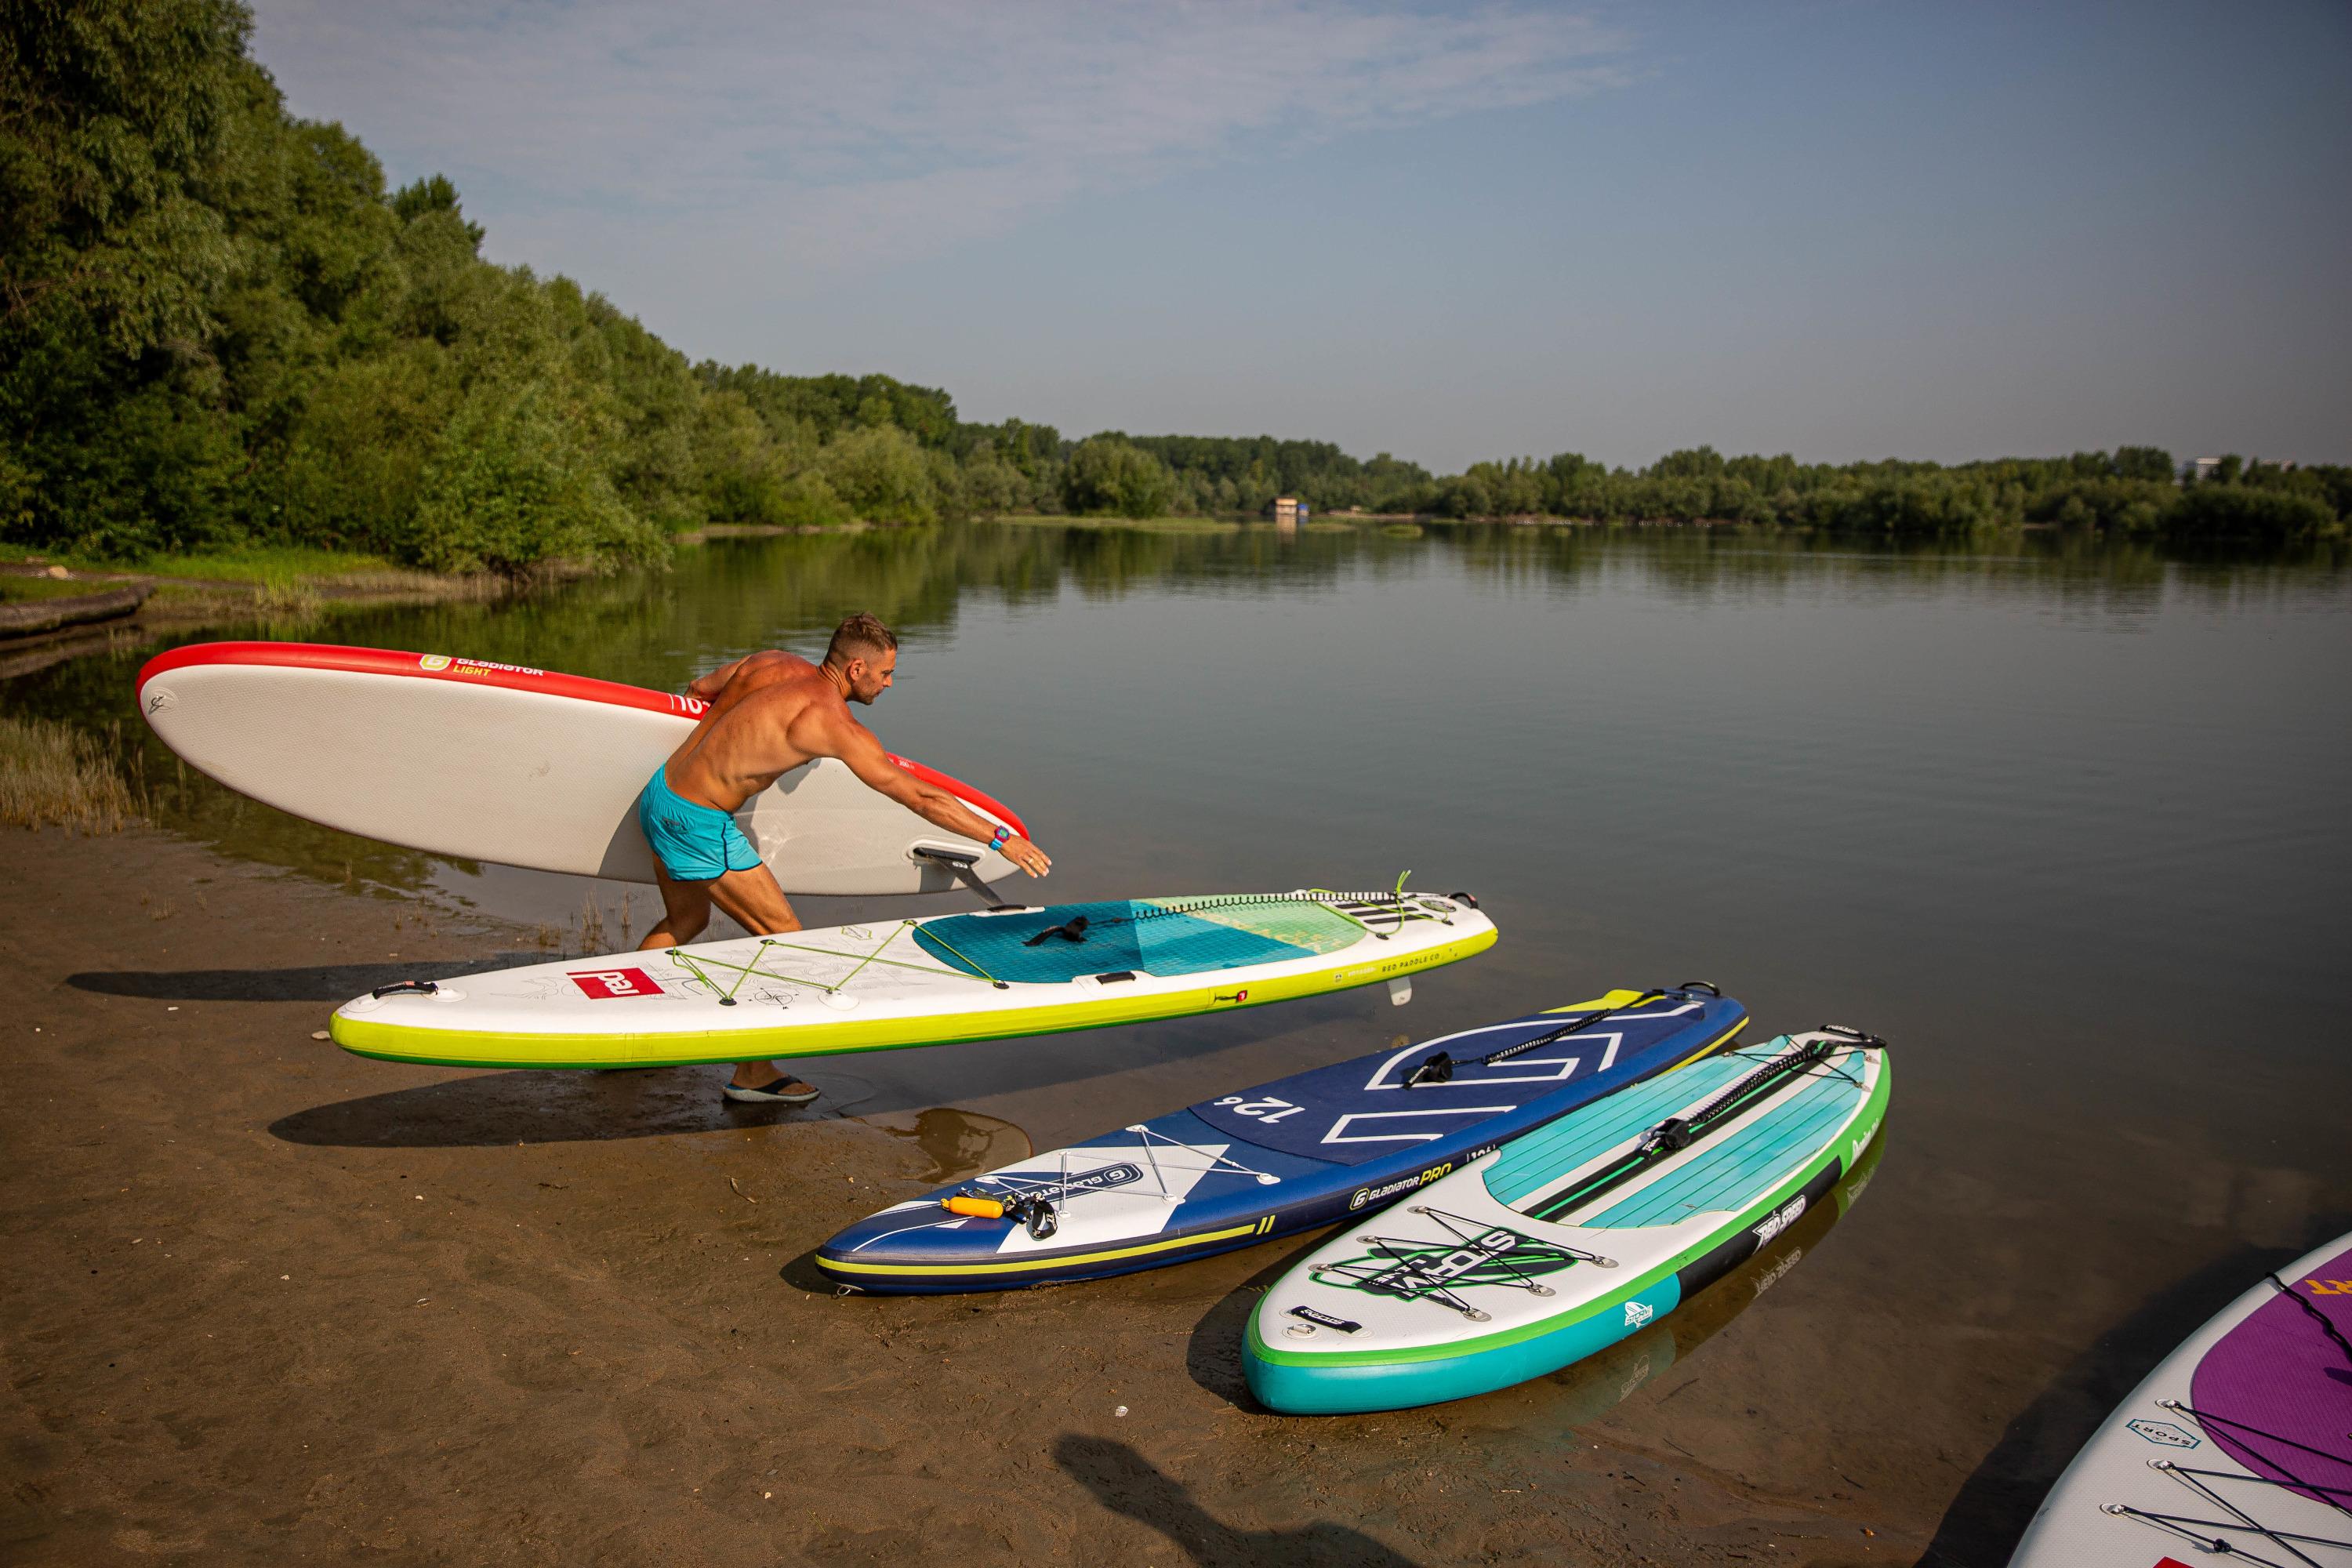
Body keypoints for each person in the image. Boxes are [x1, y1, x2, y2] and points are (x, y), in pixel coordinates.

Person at [635, 612, 1051, 1104]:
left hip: (660, 794)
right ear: (856, 669)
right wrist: (1001, 838)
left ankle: (625, 1031)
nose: (890, 683)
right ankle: (752, 1073)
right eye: (886, 674)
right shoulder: (831, 723)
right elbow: (921, 798)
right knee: (784, 941)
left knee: (686, 919)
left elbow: (700, 686)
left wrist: (746, 735)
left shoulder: (770, 662)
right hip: (698, 823)